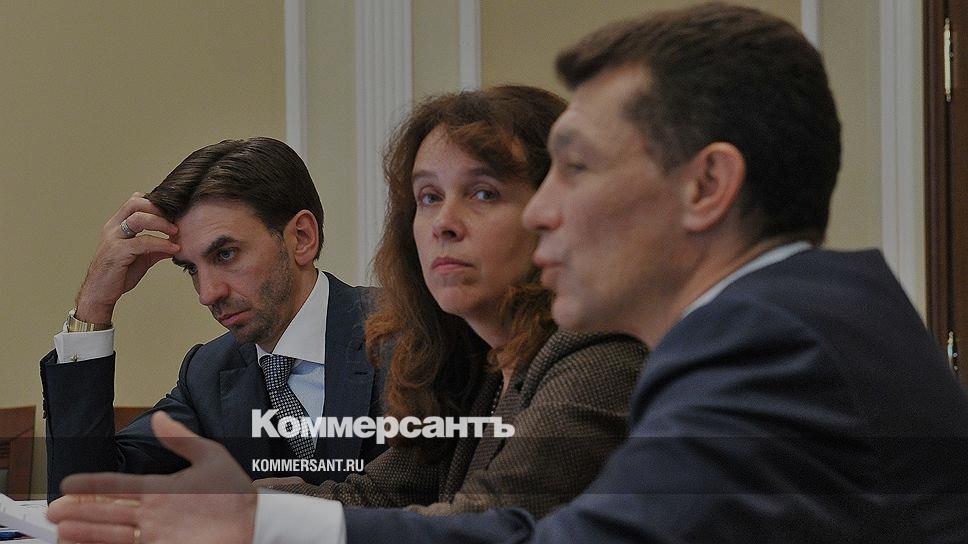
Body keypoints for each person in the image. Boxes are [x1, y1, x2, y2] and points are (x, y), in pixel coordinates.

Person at [48, 3, 968, 543]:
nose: (546, 210)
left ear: (706, 186)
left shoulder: (763, 339)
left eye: (577, 168)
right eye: (426, 198)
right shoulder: (780, 318)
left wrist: (257, 524)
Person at [255, 85, 645, 517]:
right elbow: (372, 499)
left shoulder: (601, 355)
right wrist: (229, 503)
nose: (443, 223)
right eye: (429, 197)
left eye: (483, 193)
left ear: (557, 212)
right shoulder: (477, 367)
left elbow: (481, 525)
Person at [40, 137, 387, 500]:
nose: (207, 294)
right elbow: (87, 496)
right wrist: (94, 306)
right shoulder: (208, 373)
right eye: (191, 268)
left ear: (301, 238)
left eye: (225, 254)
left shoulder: (409, 332)